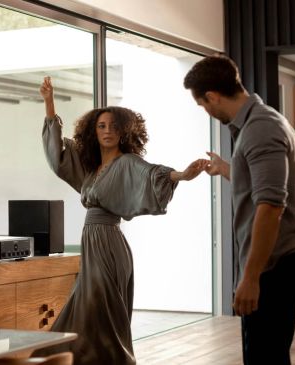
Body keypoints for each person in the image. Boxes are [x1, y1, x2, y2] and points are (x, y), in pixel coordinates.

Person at [35, 76, 208, 365]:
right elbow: (58, 158)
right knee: (81, 311)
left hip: (109, 245)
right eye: (101, 126)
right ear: (93, 131)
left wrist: (183, 175)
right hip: (92, 244)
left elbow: (153, 174)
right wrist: (49, 103)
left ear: (124, 131)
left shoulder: (127, 163)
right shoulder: (91, 168)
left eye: (114, 126)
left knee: (98, 312)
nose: (107, 131)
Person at [183, 55, 295, 365]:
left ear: (212, 96)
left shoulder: (260, 129)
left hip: (273, 267)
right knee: (268, 355)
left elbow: (270, 207)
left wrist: (251, 276)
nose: (207, 112)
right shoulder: (261, 122)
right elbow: (261, 184)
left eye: (203, 105)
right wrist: (228, 169)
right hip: (276, 264)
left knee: (263, 358)